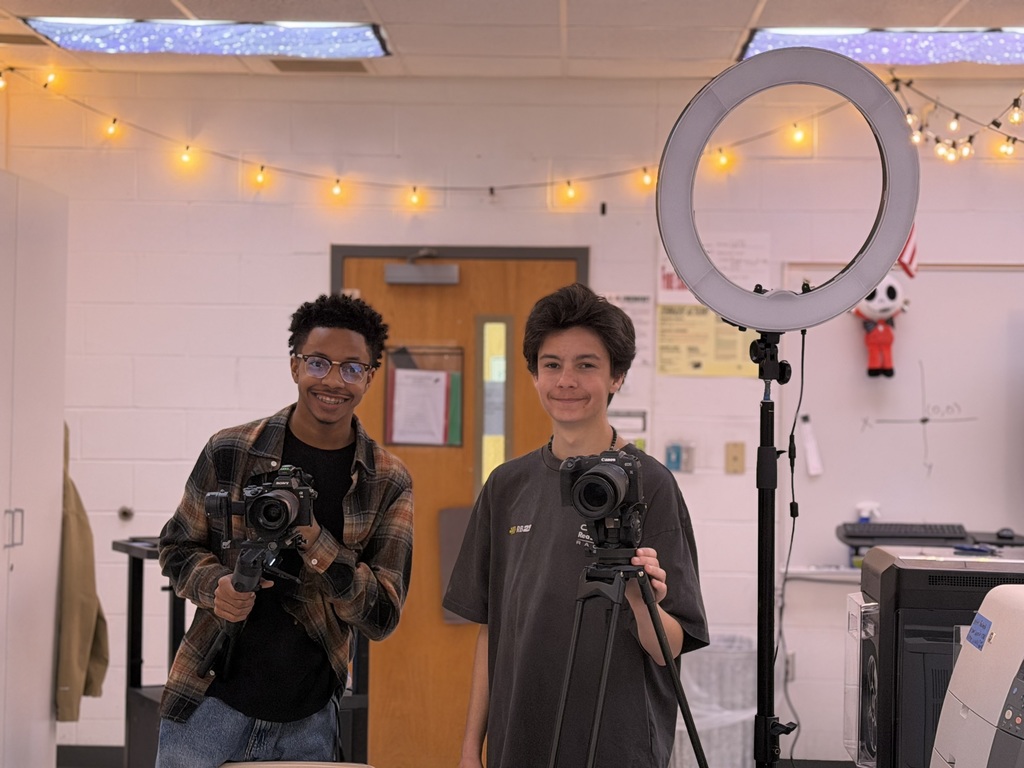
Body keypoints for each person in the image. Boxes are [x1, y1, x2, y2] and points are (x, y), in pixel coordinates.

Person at [443, 282, 709, 768]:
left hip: (618, 746)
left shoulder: (649, 484)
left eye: (586, 365)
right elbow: (490, 630)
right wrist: (468, 748)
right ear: (534, 374)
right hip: (518, 743)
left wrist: (640, 599)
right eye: (551, 365)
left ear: (617, 377)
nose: (566, 381)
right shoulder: (507, 485)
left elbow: (668, 649)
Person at [156, 293, 414, 767]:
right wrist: (216, 586)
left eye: (351, 368)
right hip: (208, 703)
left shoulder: (385, 481)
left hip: (309, 717)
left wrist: (312, 538)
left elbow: (380, 616)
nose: (333, 380)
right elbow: (177, 547)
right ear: (295, 366)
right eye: (318, 362)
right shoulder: (230, 450)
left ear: (370, 377)